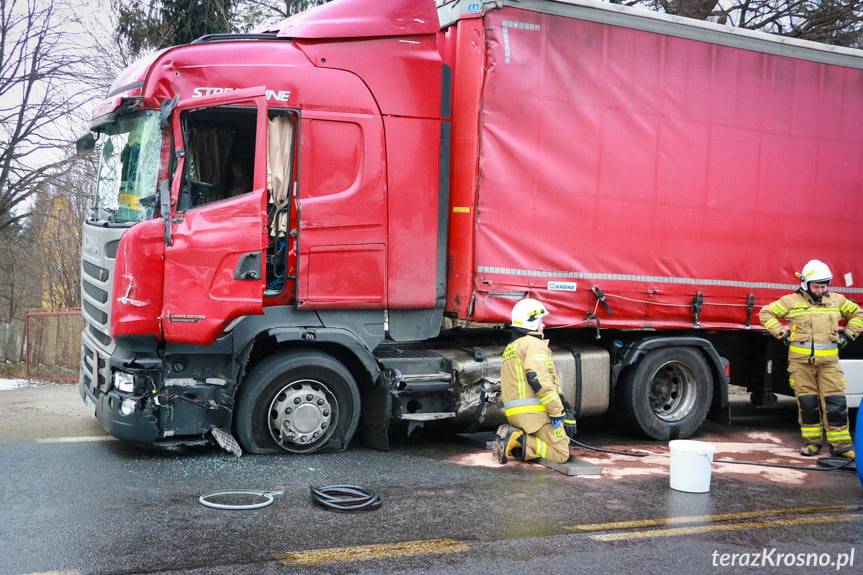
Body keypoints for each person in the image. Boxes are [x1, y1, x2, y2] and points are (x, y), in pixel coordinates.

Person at [759, 259, 863, 461]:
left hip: (829, 365)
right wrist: (782, 333)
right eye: (816, 286)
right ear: (805, 285)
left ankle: (841, 447)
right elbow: (766, 313)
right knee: (808, 405)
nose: (821, 289)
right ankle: (813, 443)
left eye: (824, 285)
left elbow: (858, 314)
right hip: (801, 364)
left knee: (836, 404)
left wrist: (848, 335)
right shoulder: (791, 302)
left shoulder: (838, 301)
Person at [493, 298, 577, 464]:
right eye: (541, 321)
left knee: (554, 443)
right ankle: (518, 439)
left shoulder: (512, 347)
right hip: (534, 415)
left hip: (515, 415)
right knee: (561, 453)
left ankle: (518, 441)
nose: (543, 325)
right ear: (531, 322)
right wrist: (556, 412)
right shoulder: (534, 344)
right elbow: (538, 379)